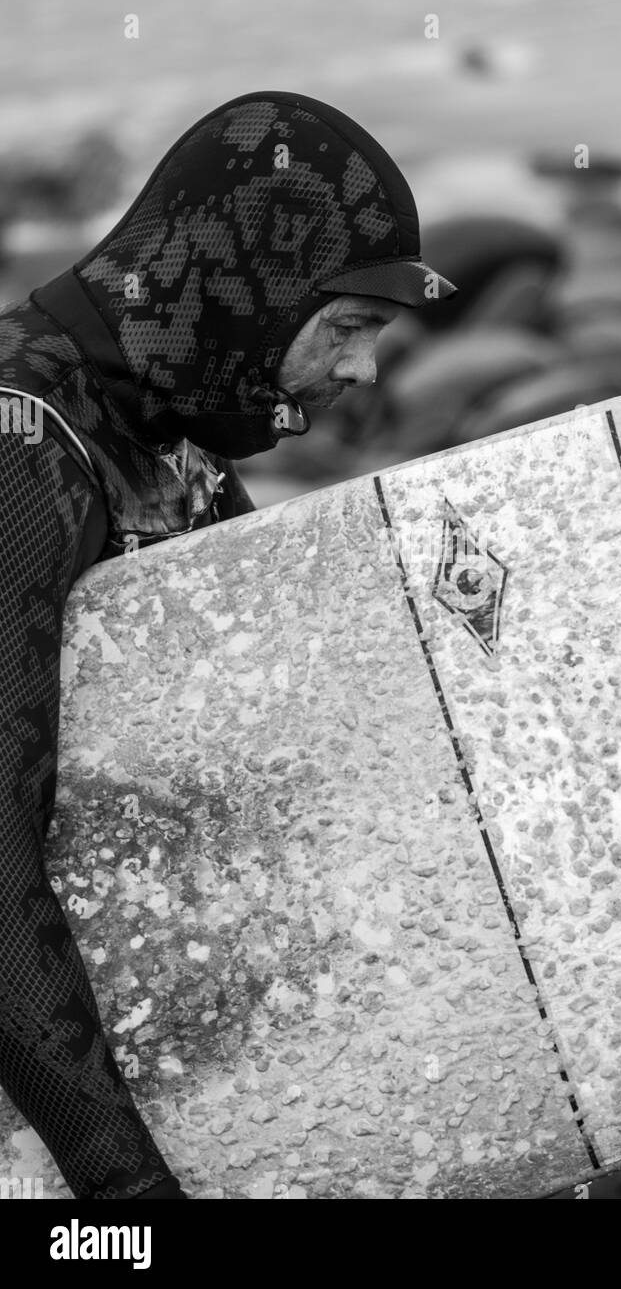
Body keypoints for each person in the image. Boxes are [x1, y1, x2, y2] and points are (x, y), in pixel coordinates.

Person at [0, 90, 456, 1199]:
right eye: (347, 327)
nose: (362, 376)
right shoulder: (22, 445)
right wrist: (123, 1189)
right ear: (246, 288)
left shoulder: (168, 437)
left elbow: (278, 752)